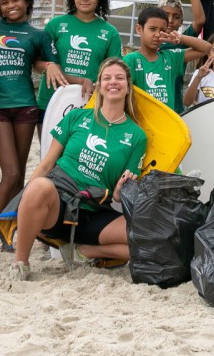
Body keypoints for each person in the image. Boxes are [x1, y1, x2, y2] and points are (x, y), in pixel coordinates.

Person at [9, 58, 147, 280]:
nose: (113, 82)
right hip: (59, 206)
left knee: (145, 240)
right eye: (107, 78)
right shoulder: (76, 117)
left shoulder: (137, 136)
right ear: (99, 85)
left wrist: (121, 190)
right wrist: (24, 203)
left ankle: (85, 251)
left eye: (120, 78)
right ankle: (20, 264)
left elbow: (121, 197)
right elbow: (46, 164)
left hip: (95, 212)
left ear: (128, 86)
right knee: (39, 186)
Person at [0, 0, 68, 256]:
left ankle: (8, 235)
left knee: (17, 178)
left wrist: (50, 64)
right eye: (4, 2)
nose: (10, 5)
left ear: (26, 1)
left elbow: (44, 64)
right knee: (11, 173)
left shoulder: (37, 35)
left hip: (26, 109)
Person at [36, 0, 121, 127]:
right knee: (49, 151)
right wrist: (49, 66)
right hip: (51, 100)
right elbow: (36, 64)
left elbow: (114, 72)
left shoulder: (110, 32)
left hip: (88, 103)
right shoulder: (55, 25)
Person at [123, 6, 210, 112]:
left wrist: (180, 38)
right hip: (141, 125)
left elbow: (207, 48)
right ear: (139, 29)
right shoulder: (130, 60)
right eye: (152, 29)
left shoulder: (170, 57)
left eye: (162, 30)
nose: (157, 34)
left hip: (167, 125)